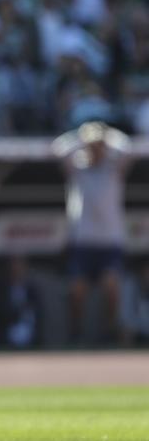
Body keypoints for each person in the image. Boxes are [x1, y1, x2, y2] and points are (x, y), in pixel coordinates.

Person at [52, 121, 131, 344]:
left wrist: (106, 134)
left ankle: (110, 332)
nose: (95, 149)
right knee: (76, 289)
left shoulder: (113, 169)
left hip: (109, 243)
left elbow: (127, 146)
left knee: (111, 286)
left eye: (99, 145)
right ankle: (75, 332)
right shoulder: (78, 170)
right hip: (83, 244)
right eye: (92, 145)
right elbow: (59, 148)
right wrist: (82, 135)